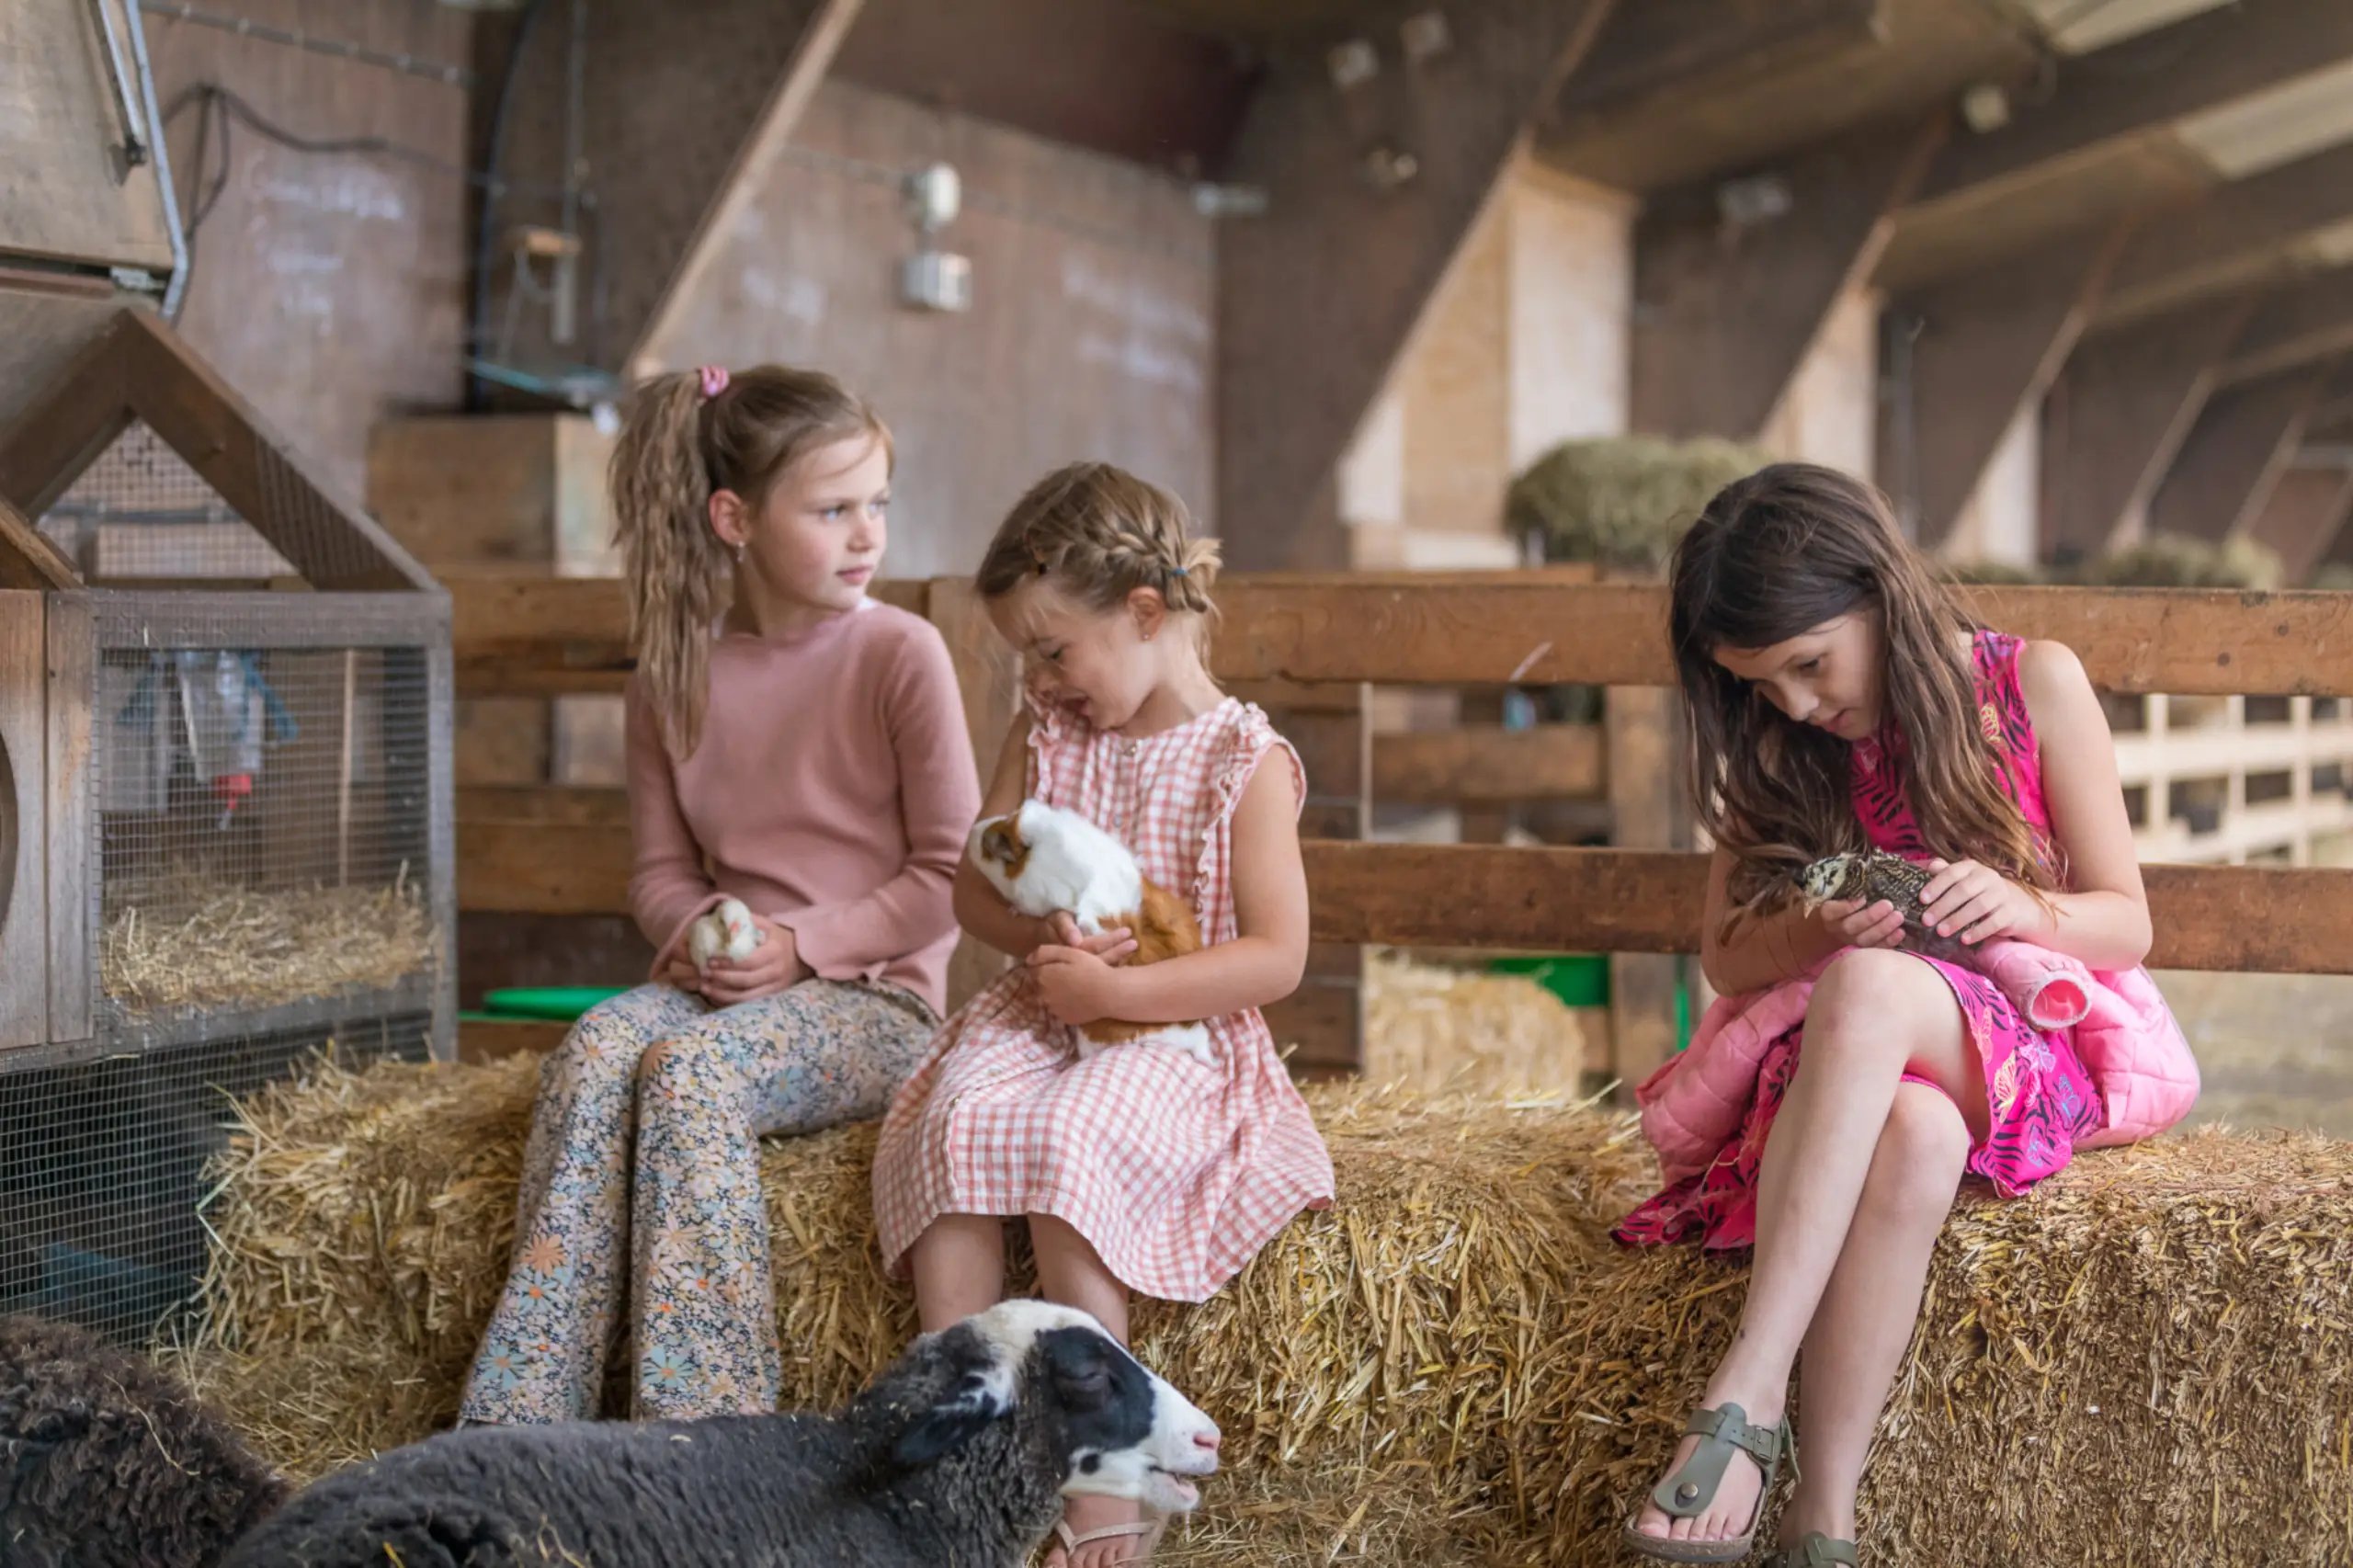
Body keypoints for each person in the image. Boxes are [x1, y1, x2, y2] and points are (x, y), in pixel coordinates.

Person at [1617, 464, 2195, 1566]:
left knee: (1880, 995)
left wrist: (2032, 906)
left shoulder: (2033, 684)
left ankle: (1748, 1386)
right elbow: (1728, 955)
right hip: (1845, 1080)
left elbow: (2126, 921)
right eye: (1758, 682)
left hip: (2019, 1054)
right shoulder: (1777, 744)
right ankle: (1822, 1517)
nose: (1790, 702)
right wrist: (1818, 931)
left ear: (1879, 592)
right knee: (1915, 1129)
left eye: (1807, 664)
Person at [457, 363, 980, 1425]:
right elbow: (659, 874)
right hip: (722, 986)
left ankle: (707, 1430)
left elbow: (949, 874)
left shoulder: (900, 653)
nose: (865, 534)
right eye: (832, 509)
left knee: (689, 1073)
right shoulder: (669, 678)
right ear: (734, 518)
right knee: (602, 1041)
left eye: (876, 503)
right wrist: (696, 929)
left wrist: (799, 942)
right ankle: (516, 1420)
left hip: (876, 1004)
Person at [871, 461, 1336, 1567]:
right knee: (961, 1119)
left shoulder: (1242, 760)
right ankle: (962, 1424)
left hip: (1174, 1033)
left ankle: (1106, 1478)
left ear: (1142, 612)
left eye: (1053, 647)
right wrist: (1042, 943)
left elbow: (1275, 955)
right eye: (1029, 657)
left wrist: (1120, 993)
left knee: (1072, 1140)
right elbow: (974, 882)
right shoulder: (1046, 734)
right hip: (1044, 1007)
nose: (1040, 675)